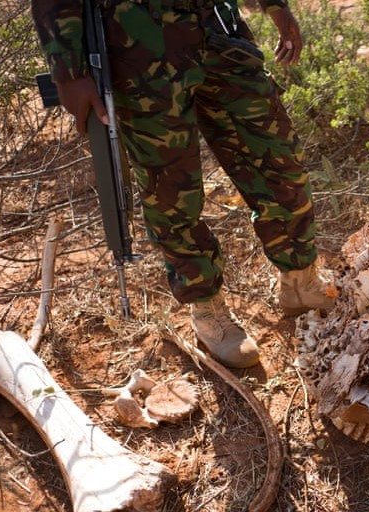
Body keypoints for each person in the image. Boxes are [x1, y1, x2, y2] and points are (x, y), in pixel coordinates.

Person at [32, 0, 335, 368]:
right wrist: (67, 69)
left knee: (278, 160)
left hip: (217, 28)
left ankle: (300, 279)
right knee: (171, 189)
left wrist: (276, 7)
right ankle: (207, 308)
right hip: (137, 42)